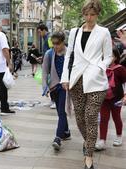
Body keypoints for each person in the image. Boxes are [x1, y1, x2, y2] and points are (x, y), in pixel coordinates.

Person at [61, 1, 113, 168]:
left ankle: (88, 156)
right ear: (83, 14)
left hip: (96, 80)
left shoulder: (104, 32)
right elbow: (69, 55)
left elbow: (109, 56)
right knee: (80, 119)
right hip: (77, 79)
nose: (89, 18)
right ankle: (88, 142)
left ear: (97, 15)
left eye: (93, 15)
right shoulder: (75, 32)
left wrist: (101, 67)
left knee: (91, 116)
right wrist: (65, 78)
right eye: (87, 14)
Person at [42, 31, 71, 151]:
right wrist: (45, 87)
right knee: (60, 112)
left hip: (65, 87)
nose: (55, 46)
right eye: (53, 43)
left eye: (57, 43)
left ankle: (58, 138)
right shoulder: (49, 53)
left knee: (62, 111)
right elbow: (44, 71)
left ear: (63, 42)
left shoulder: (70, 53)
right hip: (54, 87)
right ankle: (66, 131)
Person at [95, 47, 126, 150]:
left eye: (111, 56)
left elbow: (125, 82)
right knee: (103, 119)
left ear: (116, 57)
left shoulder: (120, 69)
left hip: (116, 98)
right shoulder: (101, 67)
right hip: (104, 98)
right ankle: (102, 140)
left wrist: (125, 95)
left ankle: (119, 136)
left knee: (116, 117)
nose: (109, 57)